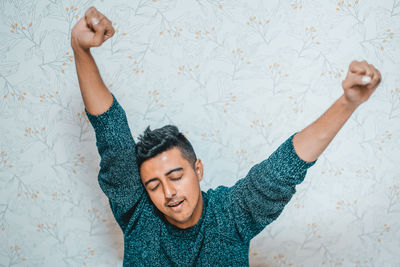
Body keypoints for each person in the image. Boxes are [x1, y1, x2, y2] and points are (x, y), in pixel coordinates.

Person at [71, 6, 381, 267]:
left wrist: (348, 103)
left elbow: (285, 168)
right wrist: (80, 49)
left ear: (198, 170)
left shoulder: (231, 215)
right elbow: (111, 131)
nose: (168, 192)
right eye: (153, 185)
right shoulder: (138, 212)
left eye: (176, 176)